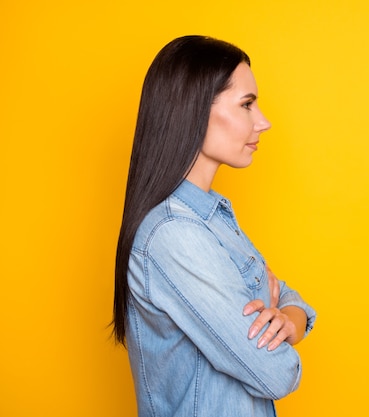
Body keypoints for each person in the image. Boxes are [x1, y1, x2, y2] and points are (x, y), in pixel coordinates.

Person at [112, 35, 316, 417]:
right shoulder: (175, 235)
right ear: (193, 111)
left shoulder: (213, 218)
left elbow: (295, 301)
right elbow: (277, 374)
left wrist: (285, 317)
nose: (264, 121)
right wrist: (275, 308)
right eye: (247, 105)